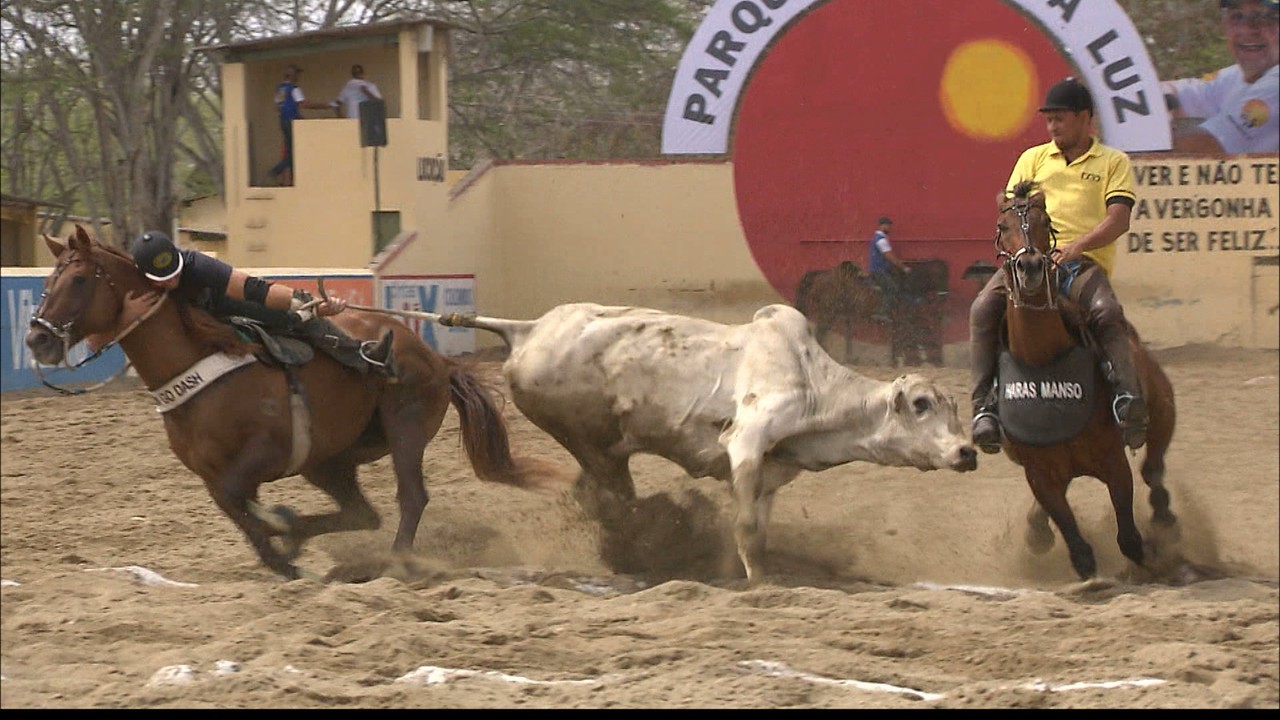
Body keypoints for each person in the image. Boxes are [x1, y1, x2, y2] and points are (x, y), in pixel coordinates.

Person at [969, 77, 1147, 454]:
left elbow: (1118, 219)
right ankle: (983, 408)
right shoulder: (1031, 160)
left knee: (1108, 313)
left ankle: (1129, 402)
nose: (1052, 127)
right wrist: (1026, 249)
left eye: (1060, 119)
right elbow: (1013, 211)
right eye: (1049, 121)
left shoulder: (1113, 162)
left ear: (1085, 118)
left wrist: (1075, 247)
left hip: (1081, 265)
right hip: (1028, 262)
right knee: (983, 308)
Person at [125, 230, 394, 376]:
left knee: (295, 319)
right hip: (190, 334)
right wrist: (129, 314)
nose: (171, 282)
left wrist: (307, 303)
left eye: (175, 274)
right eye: (163, 279)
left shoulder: (201, 266)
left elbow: (255, 290)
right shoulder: (135, 288)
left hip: (227, 305)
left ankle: (360, 354)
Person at [1161, 0, 1279, 154]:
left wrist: (1137, 131)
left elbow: (1207, 145)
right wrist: (1156, 104)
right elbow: (1176, 92)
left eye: (1266, 18)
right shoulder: (1234, 77)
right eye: (1237, 16)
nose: (1247, 29)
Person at [268, 64, 334, 186]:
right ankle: (276, 171)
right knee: (293, 152)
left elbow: (277, 107)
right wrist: (326, 105)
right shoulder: (294, 88)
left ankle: (292, 180)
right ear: (292, 75)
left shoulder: (281, 88)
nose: (298, 76)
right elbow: (304, 104)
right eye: (297, 74)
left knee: (290, 151)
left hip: (283, 121)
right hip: (292, 122)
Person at [867, 215, 910, 323]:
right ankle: (883, 313)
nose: (890, 228)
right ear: (882, 226)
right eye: (888, 225)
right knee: (892, 289)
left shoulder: (877, 238)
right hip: (879, 271)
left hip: (880, 269)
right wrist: (904, 268)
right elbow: (889, 256)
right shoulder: (881, 240)